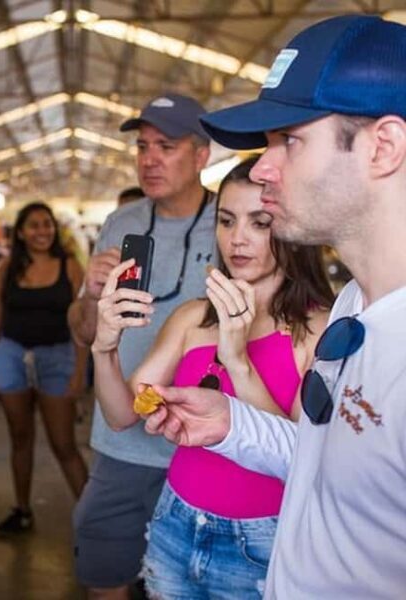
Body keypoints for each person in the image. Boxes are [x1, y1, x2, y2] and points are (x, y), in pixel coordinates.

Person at [141, 15, 406, 597]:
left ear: (383, 146)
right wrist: (232, 422)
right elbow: (326, 465)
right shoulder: (357, 305)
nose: (262, 170)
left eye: (290, 140)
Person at [92, 156, 333, 598]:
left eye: (259, 222)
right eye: (225, 220)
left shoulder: (318, 330)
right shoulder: (190, 318)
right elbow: (121, 414)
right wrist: (104, 347)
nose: (237, 239)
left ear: (290, 224)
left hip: (262, 540)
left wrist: (236, 357)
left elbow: (305, 457)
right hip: (175, 522)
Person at [67, 93, 216, 599]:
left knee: (187, 582)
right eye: (143, 146)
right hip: (123, 440)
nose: (149, 159)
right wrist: (90, 293)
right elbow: (83, 329)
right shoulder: (121, 224)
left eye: (166, 146)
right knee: (103, 565)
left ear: (201, 156)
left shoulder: (233, 224)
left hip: (205, 445)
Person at [0, 202, 89, 534]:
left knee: (64, 444)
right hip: (11, 355)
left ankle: (94, 520)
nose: (42, 231)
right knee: (20, 437)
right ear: (20, 232)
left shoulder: (70, 266)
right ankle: (22, 509)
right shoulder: (7, 268)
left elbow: (83, 323)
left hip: (57, 357)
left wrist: (79, 371)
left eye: (47, 224)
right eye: (33, 225)